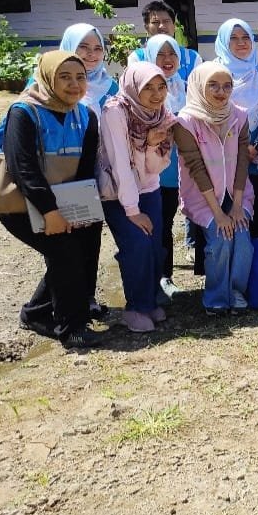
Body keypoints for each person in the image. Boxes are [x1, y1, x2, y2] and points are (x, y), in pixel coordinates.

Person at [0, 51, 103, 347]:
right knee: (64, 249)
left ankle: (36, 313)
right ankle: (72, 327)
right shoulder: (24, 112)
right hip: (23, 202)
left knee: (83, 242)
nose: (74, 84)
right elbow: (23, 168)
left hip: (65, 200)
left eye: (80, 77)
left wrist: (82, 212)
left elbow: (85, 169)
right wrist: (50, 212)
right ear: (47, 78)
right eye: (64, 77)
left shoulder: (86, 116)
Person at [172, 61, 254, 314]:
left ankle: (236, 292)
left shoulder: (239, 115)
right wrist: (218, 214)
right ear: (199, 86)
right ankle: (216, 298)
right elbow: (196, 169)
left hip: (236, 192)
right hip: (203, 196)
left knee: (242, 239)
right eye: (213, 85)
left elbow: (243, 160)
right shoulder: (185, 121)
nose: (221, 92)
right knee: (220, 241)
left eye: (227, 86)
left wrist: (237, 207)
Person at [98, 62, 174, 333]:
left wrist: (151, 144)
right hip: (118, 193)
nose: (156, 94)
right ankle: (135, 308)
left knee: (154, 246)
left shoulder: (160, 112)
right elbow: (120, 163)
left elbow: (155, 167)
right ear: (133, 86)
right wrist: (132, 209)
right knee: (137, 246)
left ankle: (149, 300)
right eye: (148, 87)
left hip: (149, 188)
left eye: (161, 86)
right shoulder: (115, 111)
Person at [214, 19, 258, 239]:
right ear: (223, 42)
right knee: (227, 221)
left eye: (245, 37)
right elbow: (208, 115)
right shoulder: (213, 73)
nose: (241, 43)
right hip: (222, 155)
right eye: (233, 38)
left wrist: (255, 145)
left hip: (256, 156)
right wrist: (239, 147)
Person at [141, 34, 188, 302]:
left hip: (178, 170)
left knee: (168, 222)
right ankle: (150, 279)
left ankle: (164, 276)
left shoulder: (185, 87)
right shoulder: (140, 91)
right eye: (161, 54)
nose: (167, 59)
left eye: (172, 54)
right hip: (150, 172)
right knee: (152, 225)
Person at [130, 2, 202, 78]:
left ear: (174, 26)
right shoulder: (137, 58)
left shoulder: (192, 58)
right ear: (146, 28)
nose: (161, 26)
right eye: (155, 22)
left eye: (166, 21)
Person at [56, 23, 118, 109]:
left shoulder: (111, 87)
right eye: (84, 47)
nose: (92, 54)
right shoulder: (52, 84)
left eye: (97, 48)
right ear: (69, 46)